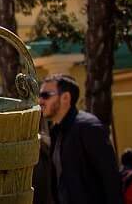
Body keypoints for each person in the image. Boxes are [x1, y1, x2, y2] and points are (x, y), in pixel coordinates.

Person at [39, 73, 124, 204]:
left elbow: (110, 178)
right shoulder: (56, 132)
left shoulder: (88, 127)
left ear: (65, 97)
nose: (40, 101)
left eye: (46, 95)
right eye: (40, 95)